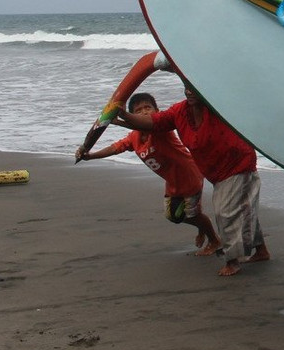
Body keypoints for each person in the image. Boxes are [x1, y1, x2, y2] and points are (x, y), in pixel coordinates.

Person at [114, 84, 270, 277]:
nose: (190, 92)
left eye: (194, 88)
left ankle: (233, 261)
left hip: (237, 162)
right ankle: (261, 251)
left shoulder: (215, 105)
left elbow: (237, 95)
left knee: (225, 212)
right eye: (187, 88)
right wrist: (123, 116)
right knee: (244, 208)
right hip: (215, 172)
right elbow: (153, 122)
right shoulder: (179, 112)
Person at [77, 92, 221, 255]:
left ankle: (214, 240)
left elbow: (147, 124)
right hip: (172, 181)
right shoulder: (134, 137)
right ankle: (201, 227)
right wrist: (90, 156)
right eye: (138, 110)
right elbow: (115, 148)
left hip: (189, 175)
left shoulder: (161, 130)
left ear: (157, 111)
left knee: (191, 215)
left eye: (148, 108)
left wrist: (121, 119)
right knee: (173, 216)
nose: (144, 112)